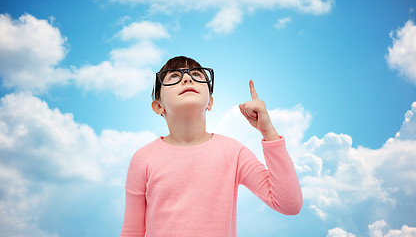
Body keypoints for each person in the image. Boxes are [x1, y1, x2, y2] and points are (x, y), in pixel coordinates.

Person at [120, 56, 303, 237]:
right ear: (158, 106)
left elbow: (289, 205)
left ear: (210, 102)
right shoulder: (143, 158)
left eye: (197, 74)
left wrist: (268, 131)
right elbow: (132, 232)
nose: (187, 78)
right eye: (174, 76)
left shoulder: (233, 153)